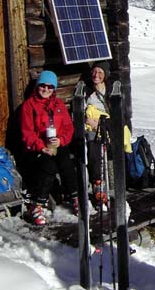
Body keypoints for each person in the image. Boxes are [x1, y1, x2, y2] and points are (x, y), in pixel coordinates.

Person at [19, 70, 78, 225]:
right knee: (48, 166)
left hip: (56, 143)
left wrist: (61, 140)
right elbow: (27, 132)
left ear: (54, 89)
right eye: (43, 86)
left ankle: (75, 198)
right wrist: (40, 146)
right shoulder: (29, 105)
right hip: (37, 147)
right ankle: (36, 205)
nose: (46, 90)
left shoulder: (58, 104)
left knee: (65, 161)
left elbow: (68, 127)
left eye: (50, 87)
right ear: (38, 86)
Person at [84, 61, 112, 208]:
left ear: (105, 75)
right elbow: (80, 110)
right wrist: (87, 119)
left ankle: (100, 186)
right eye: (94, 72)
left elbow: (117, 114)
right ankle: (98, 186)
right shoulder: (87, 91)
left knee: (99, 145)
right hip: (90, 129)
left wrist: (101, 124)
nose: (96, 75)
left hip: (106, 128)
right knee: (93, 145)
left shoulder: (110, 92)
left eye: (100, 73)